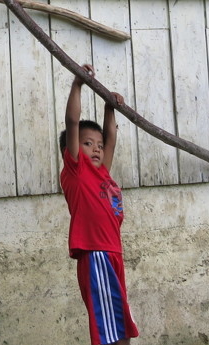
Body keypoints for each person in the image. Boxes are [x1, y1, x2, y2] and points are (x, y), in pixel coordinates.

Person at [59, 64, 138, 345]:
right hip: (96, 255)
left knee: (121, 328)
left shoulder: (103, 172)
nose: (96, 148)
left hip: (113, 254)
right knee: (110, 333)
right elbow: (72, 122)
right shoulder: (76, 171)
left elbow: (111, 139)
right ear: (72, 150)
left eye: (98, 145)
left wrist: (109, 107)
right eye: (87, 143)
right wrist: (78, 84)